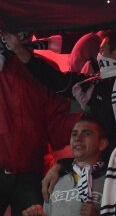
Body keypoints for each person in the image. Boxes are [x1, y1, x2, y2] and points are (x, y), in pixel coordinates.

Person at [7, 29, 116, 146]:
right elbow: (53, 79)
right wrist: (20, 51)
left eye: (102, 49)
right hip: (105, 158)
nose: (98, 54)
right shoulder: (93, 84)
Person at [0, 36, 79, 216]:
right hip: (30, 169)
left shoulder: (43, 68)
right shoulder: (42, 67)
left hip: (30, 171)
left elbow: (56, 126)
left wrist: (83, 120)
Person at [22, 116, 110, 216]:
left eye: (87, 134)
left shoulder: (111, 180)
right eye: (74, 134)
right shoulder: (55, 179)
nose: (78, 138)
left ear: (102, 144)